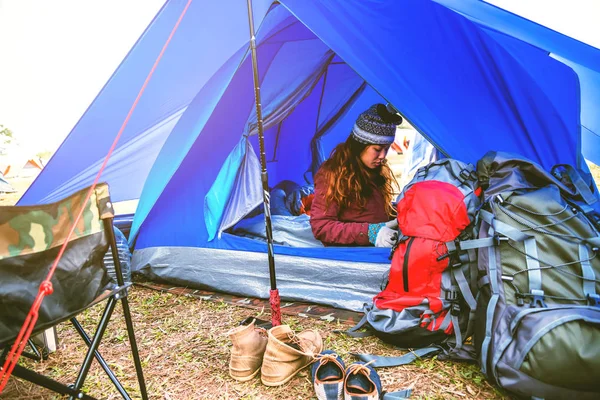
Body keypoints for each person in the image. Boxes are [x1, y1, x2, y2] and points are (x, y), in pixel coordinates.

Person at [310, 104, 401, 247]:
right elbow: (322, 227)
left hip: (376, 248)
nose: (383, 156)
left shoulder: (373, 170)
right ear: (360, 144)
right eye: (377, 149)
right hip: (352, 254)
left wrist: (401, 212)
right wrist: (370, 232)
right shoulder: (333, 173)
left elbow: (371, 210)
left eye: (387, 148)